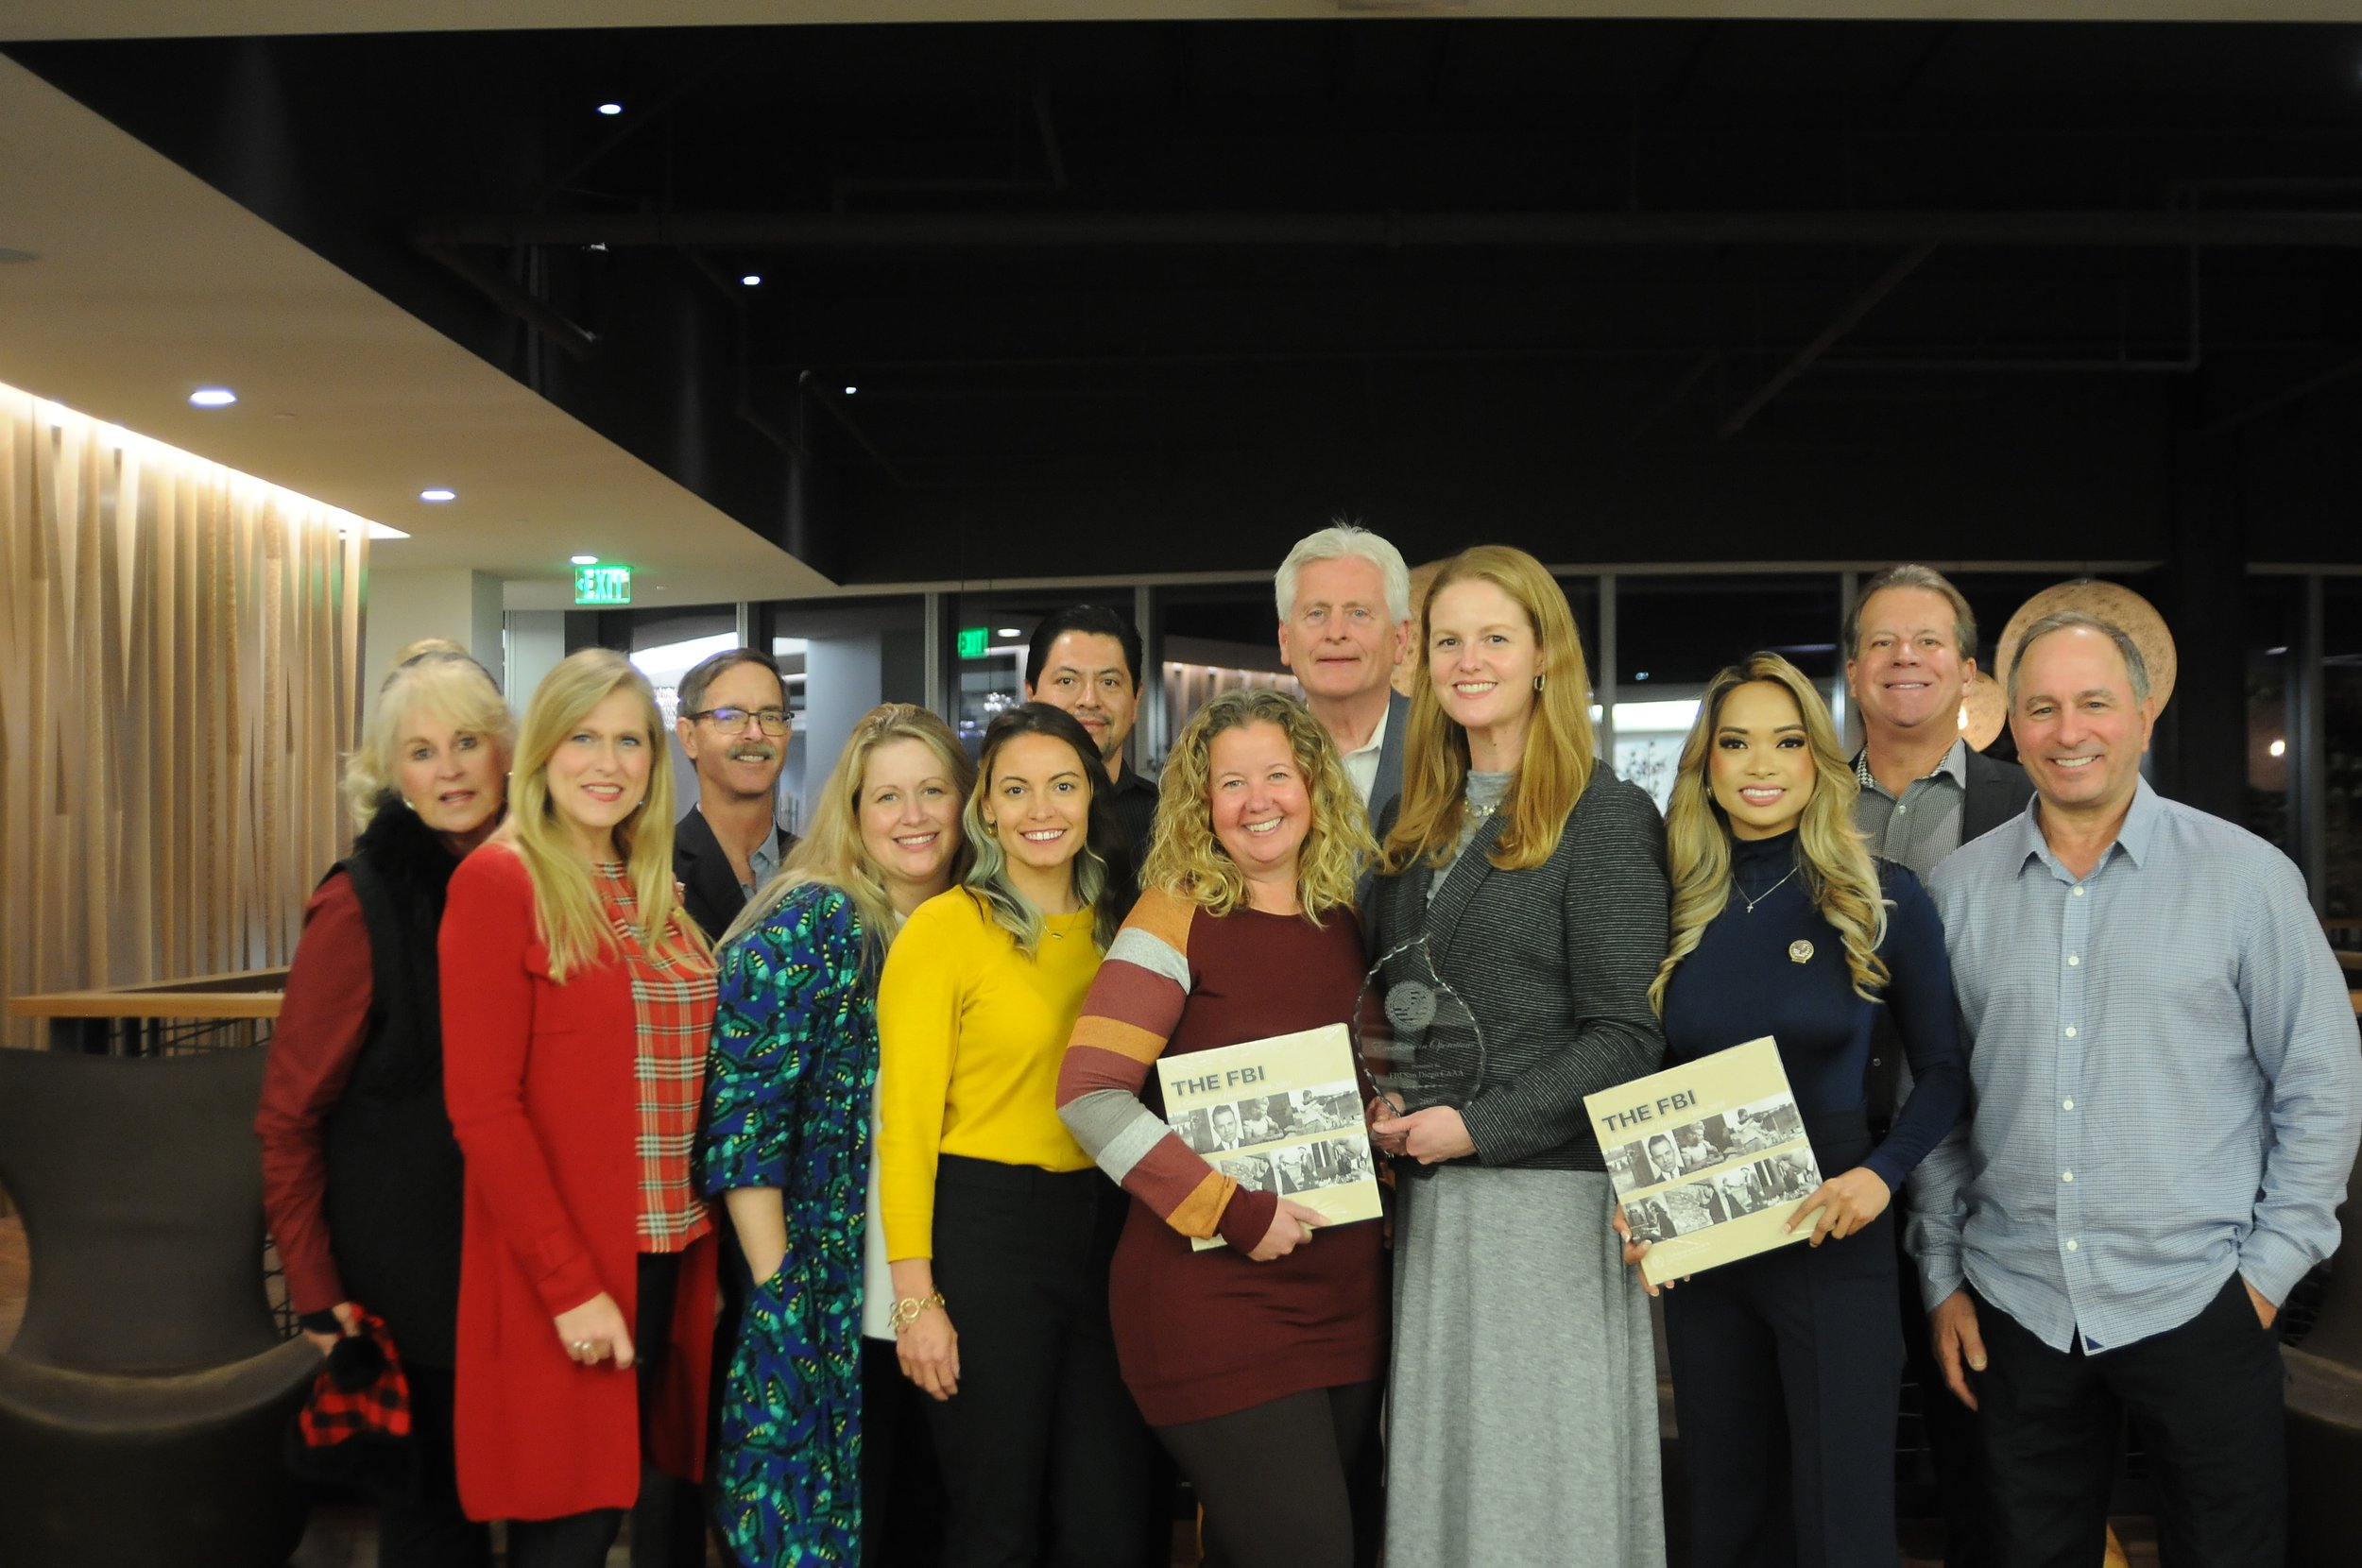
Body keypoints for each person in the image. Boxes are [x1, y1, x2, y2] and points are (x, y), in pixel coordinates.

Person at [1910, 611, 2362, 1568]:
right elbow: (1936, 1105)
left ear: (2144, 715)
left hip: (2201, 1295)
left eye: (2093, 703)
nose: (2067, 729)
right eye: (2041, 707)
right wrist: (1943, 1272)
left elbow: (2320, 1087)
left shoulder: (2246, 880)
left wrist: (2266, 1276)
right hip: (2015, 1302)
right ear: (2008, 724)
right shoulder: (1955, 892)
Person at [1620, 653, 1967, 1568]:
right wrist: (1634, 1193)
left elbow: (1943, 1071)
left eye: (1785, 740)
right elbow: (1640, 1064)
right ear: (1706, 762)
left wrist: (1881, 1176)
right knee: (1727, 1514)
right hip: (1703, 1239)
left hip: (1831, 1229)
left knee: (1839, 1525)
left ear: (1817, 759)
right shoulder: (1669, 897)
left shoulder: (1880, 892)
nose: (1760, 763)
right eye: (1734, 742)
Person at [1363, 543, 1670, 1568]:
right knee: (1450, 1485)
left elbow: (1629, 1033)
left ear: (1545, 654)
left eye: (1495, 635)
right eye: (1447, 639)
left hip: (1546, 1206)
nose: (1468, 658)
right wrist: (1387, 1101)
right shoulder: (1418, 826)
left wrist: (1477, 1127)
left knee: (1544, 1492)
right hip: (1438, 1202)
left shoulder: (1605, 815)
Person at [1057, 688, 1389, 1568]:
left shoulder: (1350, 921)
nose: (1258, 801)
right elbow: (1089, 1093)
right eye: (1231, 782)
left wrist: (1384, 1120)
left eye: (1278, 775)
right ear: (1201, 806)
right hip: (1210, 1297)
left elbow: (1366, 1082)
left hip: (1346, 1297)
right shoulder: (1173, 915)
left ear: (1315, 787)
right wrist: (1230, 1209)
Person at [438, 649, 722, 1568]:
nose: (608, 761)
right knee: (570, 1528)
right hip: (573, 1266)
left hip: (671, 1250)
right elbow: (483, 1109)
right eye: (583, 737)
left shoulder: (654, 893)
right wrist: (568, 1288)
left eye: (629, 740)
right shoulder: (501, 881)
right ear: (542, 753)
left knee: (637, 1504)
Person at [874, 703, 1160, 1568]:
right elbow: (907, 1128)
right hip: (987, 1234)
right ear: (986, 810)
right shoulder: (944, 932)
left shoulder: (1131, 926)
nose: (1042, 808)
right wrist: (915, 1302)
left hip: (1113, 1229)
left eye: (1063, 785)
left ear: (1092, 795)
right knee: (996, 1522)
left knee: (1112, 1519)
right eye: (1016, 789)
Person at [699, 704, 973, 1568]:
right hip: (830, 1299)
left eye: (934, 790)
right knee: (843, 1527)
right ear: (852, 814)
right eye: (887, 796)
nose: (915, 815)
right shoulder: (813, 924)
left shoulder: (973, 926)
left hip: (941, 1292)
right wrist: (781, 1290)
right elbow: (745, 1124)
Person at [256, 640, 511, 1568]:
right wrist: (316, 1290)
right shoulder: (356, 904)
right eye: (420, 750)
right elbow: (286, 1118)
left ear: (507, 751)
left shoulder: (550, 881)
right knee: (437, 1516)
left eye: (468, 741)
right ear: (389, 772)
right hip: (415, 1276)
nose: (449, 769)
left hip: (526, 1256)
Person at [1847, 563, 2030, 1568]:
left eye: (1926, 642)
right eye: (1882, 641)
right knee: (1846, 1444)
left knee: (1988, 1451)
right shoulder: (1796, 801)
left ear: (1966, 672)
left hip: (1988, 1168)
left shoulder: (2028, 800)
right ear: (1851, 670)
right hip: (1839, 1164)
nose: (1903, 658)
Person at [1275, 522, 1414, 827]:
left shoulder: (1447, 745)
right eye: (1316, 614)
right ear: (1285, 639)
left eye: (1359, 613)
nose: (1336, 633)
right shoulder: (1256, 755)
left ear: (1400, 639)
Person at [674, 646, 798, 944]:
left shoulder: (818, 868)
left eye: (770, 716)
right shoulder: (652, 870)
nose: (755, 733)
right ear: (689, 737)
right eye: (731, 716)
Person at [1024, 605, 1157, 871]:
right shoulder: (994, 816)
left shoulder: (1167, 821)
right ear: (1031, 693)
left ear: (1136, 699)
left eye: (1109, 682)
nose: (1089, 700)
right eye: (1066, 681)